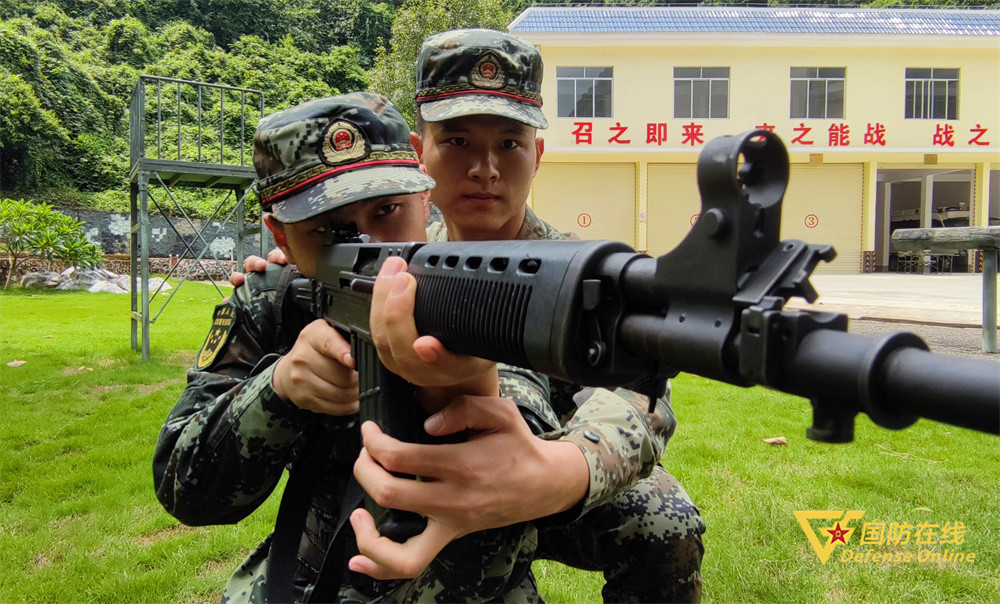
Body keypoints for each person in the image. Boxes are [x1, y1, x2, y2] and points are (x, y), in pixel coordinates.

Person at [350, 29, 705, 602]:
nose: (485, 168)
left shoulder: (581, 272)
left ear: (538, 155)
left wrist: (562, 470)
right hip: (424, 460)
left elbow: (638, 400)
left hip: (545, 464)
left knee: (666, 520)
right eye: (459, 141)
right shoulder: (396, 254)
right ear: (420, 153)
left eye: (510, 144)